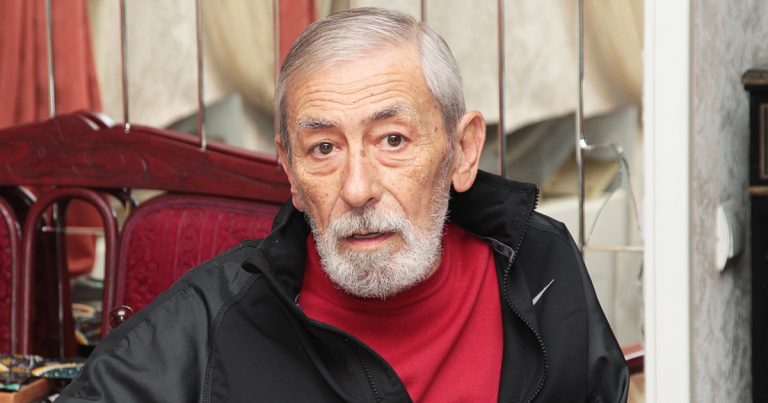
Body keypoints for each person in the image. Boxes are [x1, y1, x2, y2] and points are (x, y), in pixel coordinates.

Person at [59, 7, 628, 402]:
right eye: (324, 148)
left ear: (462, 150)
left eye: (392, 140)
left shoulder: (539, 262)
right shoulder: (215, 318)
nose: (357, 188)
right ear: (290, 170)